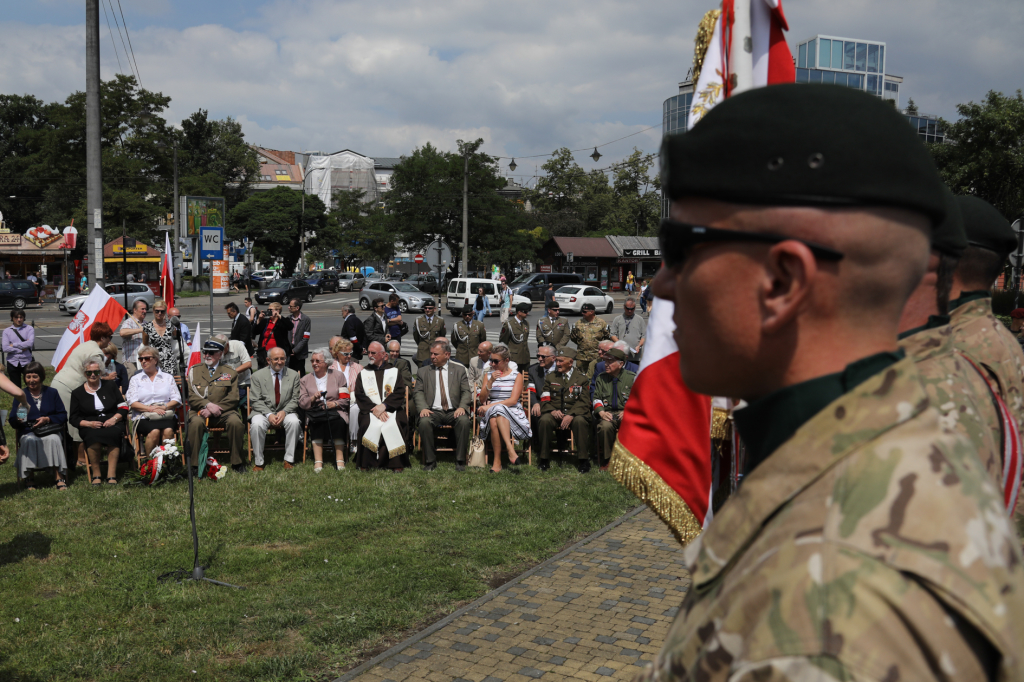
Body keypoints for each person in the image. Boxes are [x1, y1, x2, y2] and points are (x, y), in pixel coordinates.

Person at [636, 84, 1024, 681]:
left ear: (785, 280)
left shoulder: (822, 618)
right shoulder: (881, 458)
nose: (661, 285)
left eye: (681, 250)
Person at [52, 321, 114, 469]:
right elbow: (95, 375)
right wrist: (108, 378)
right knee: (76, 422)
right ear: (102, 338)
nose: (110, 340)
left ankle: (73, 457)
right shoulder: (96, 352)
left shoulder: (85, 345)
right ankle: (80, 459)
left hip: (59, 382)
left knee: (67, 424)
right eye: (109, 337)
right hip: (69, 387)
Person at [186, 338, 245, 473]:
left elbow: (233, 398)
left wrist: (214, 409)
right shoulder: (194, 371)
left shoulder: (230, 372)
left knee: (236, 422)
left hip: (225, 411)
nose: (207, 355)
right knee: (195, 423)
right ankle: (195, 466)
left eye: (211, 353)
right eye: (205, 352)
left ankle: (237, 463)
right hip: (199, 411)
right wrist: (207, 405)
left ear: (220, 354)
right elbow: (191, 396)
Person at [414, 339, 472, 471]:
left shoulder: (459, 370)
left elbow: (466, 392)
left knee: (464, 421)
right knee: (424, 422)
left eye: (436, 354)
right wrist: (423, 408)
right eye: (431, 354)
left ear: (447, 355)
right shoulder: (423, 372)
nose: (432, 357)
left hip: (454, 411)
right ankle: (430, 461)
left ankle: (460, 460)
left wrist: (462, 407)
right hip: (433, 411)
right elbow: (418, 392)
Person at [70, 356, 128, 485]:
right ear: (84, 373)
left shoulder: (110, 385)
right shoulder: (77, 393)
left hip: (112, 421)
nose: (93, 375)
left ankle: (111, 475)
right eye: (89, 372)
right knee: (93, 438)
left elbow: (123, 406)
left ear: (101, 372)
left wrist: (114, 419)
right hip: (90, 425)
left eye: (96, 372)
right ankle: (96, 474)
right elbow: (73, 418)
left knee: (114, 434)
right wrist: (89, 424)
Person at [10, 362, 68, 491]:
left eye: (34, 376)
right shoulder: (20, 395)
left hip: (49, 429)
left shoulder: (52, 392)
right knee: (28, 440)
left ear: (41, 377)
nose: (31, 380)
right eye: (28, 377)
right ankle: (29, 478)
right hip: (28, 430)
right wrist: (19, 419)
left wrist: (48, 419)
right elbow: (13, 422)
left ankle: (59, 477)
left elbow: (63, 415)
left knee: (54, 439)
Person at [354, 341, 410, 471]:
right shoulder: (363, 373)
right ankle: (367, 462)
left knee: (395, 421)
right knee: (367, 423)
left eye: (373, 353)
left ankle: (395, 463)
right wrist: (376, 409)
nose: (370, 355)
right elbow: (360, 395)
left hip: (392, 408)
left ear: (383, 355)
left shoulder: (394, 372)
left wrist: (384, 406)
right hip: (370, 410)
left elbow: (400, 392)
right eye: (368, 352)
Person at [477, 342, 530, 473]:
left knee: (497, 412)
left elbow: (513, 400)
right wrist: (490, 382)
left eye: (496, 361)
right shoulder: (488, 375)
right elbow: (482, 399)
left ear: (507, 361)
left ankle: (497, 462)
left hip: (512, 410)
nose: (492, 364)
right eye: (491, 361)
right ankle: (510, 450)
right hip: (492, 411)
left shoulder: (517, 376)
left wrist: (490, 406)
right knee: (496, 414)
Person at [537, 347, 591, 472]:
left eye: (561, 361)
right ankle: (544, 459)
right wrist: (552, 411)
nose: (557, 364)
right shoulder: (551, 377)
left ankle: (583, 460)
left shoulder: (581, 378)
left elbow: (584, 402)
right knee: (544, 420)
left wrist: (571, 414)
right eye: (557, 361)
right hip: (555, 412)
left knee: (580, 422)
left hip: (575, 413)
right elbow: (544, 398)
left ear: (570, 362)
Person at [249, 346, 301, 471]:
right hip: (263, 411)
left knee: (294, 422)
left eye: (282, 358)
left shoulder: (293, 375)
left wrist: (284, 411)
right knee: (256, 425)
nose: (280, 362)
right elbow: (255, 400)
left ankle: (289, 459)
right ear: (268, 360)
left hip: (285, 410)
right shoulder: (257, 376)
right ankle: (259, 462)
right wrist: (268, 414)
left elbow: (295, 399)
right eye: (276, 359)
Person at [126, 344, 181, 458]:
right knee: (154, 431)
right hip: (143, 415)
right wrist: (150, 409)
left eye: (147, 358)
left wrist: (164, 407)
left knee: (168, 431)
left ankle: (167, 462)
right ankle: (151, 463)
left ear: (155, 360)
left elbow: (177, 398)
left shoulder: (167, 377)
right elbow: (132, 401)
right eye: (141, 359)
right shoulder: (135, 379)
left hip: (165, 414)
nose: (143, 361)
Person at [299, 348, 349, 471]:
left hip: (335, 410)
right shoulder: (305, 379)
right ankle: (318, 461)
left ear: (326, 362)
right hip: (315, 411)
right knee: (317, 422)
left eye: (318, 361)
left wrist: (335, 403)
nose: (314, 363)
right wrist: (313, 398)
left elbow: (345, 398)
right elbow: (302, 402)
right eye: (312, 361)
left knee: (338, 422)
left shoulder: (338, 376)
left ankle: (340, 459)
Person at [591, 348, 633, 470]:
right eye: (605, 361)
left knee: (631, 426)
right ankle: (607, 460)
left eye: (610, 362)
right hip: (607, 413)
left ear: (621, 364)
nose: (606, 364)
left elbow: (639, 399)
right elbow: (596, 398)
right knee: (604, 427)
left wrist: (628, 411)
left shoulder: (631, 378)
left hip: (625, 413)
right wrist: (601, 412)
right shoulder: (601, 378)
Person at [329, 337, 363, 457]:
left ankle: (353, 441)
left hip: (353, 400)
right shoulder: (330, 368)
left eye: (350, 353)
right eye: (345, 354)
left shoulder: (357, 367)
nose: (349, 356)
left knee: (354, 409)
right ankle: (334, 440)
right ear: (337, 353)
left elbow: (362, 387)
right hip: (335, 400)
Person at [214, 333, 252, 417]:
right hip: (225, 382)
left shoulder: (237, 345)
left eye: (222, 350)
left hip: (243, 381)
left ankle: (247, 426)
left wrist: (231, 372)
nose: (220, 352)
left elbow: (248, 364)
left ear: (227, 345)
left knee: (245, 406)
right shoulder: (215, 350)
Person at [569, 302, 610, 378]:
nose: (582, 313)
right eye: (582, 311)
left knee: (597, 376)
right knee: (579, 377)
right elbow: (573, 337)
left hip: (597, 356)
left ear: (592, 312)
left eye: (584, 311)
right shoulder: (578, 324)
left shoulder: (602, 323)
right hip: (582, 357)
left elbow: (607, 337)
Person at [142, 300, 178, 377]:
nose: (159, 313)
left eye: (162, 311)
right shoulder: (147, 327)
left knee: (170, 384)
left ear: (165, 312)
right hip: (154, 361)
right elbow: (145, 344)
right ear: (153, 311)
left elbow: (176, 339)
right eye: (157, 311)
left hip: (169, 361)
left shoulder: (170, 325)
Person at [254, 302, 293, 369]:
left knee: (278, 371)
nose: (269, 312)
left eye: (271, 310)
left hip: (277, 353)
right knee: (263, 372)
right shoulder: (265, 321)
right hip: (264, 352)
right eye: (268, 310)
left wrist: (279, 316)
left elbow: (290, 326)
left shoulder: (282, 321)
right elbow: (254, 331)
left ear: (277, 311)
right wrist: (259, 320)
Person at [3, 309, 34, 387]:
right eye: (16, 317)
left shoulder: (29, 329)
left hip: (27, 361)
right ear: (12, 318)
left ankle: (30, 399)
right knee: (16, 388)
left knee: (31, 385)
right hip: (12, 362)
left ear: (24, 318)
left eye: (21, 317)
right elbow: (5, 348)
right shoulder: (7, 331)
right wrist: (21, 349)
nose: (19, 319)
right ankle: (18, 399)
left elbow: (30, 343)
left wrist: (13, 345)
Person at [609, 297, 646, 362]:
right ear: (624, 307)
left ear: (635, 308)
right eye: (628, 308)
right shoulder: (617, 319)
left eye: (632, 309)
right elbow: (612, 335)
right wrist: (620, 345)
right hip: (621, 354)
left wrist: (639, 345)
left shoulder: (640, 319)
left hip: (635, 355)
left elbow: (644, 336)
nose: (629, 311)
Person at [118, 299, 148, 374]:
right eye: (142, 309)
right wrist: (140, 330)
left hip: (144, 360)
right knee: (132, 381)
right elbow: (122, 332)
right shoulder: (129, 322)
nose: (145, 311)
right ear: (135, 310)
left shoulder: (146, 323)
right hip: (132, 361)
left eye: (146, 309)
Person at [412, 301, 446, 367]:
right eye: (426, 308)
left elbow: (442, 335)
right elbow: (416, 336)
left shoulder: (440, 320)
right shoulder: (418, 320)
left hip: (435, 353)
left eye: (430, 308)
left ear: (434, 309)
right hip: (422, 353)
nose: (427, 310)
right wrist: (422, 345)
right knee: (422, 373)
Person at [499, 302, 531, 368]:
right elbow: (503, 342)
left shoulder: (526, 323)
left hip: (525, 357)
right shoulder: (509, 325)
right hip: (514, 359)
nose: (527, 313)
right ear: (519, 312)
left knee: (526, 377)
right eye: (525, 311)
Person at [286, 298, 311, 376]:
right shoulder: (288, 319)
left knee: (300, 372)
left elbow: (305, 338)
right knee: (289, 372)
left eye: (291, 306)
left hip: (300, 352)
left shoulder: (305, 319)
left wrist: (295, 350)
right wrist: (289, 349)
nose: (288, 307)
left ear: (297, 308)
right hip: (289, 351)